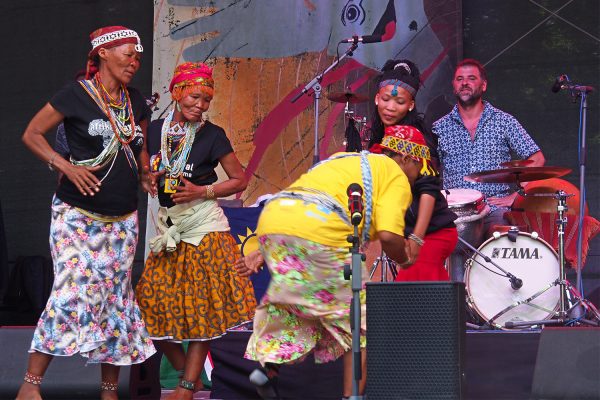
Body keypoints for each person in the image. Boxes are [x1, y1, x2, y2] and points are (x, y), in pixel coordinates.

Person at [241, 124, 431, 399]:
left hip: (275, 219)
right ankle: (351, 397)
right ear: (407, 159)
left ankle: (268, 369)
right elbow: (390, 235)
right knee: (362, 326)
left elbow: (300, 203)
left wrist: (262, 249)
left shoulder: (344, 160)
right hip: (320, 230)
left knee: (296, 308)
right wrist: (405, 257)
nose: (417, 178)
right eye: (419, 169)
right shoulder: (395, 174)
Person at [17, 26, 156, 400]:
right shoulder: (75, 95)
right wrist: (65, 165)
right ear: (104, 53)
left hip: (123, 220)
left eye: (138, 56)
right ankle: (30, 387)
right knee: (69, 292)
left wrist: (145, 171)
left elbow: (139, 143)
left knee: (115, 300)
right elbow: (32, 133)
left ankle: (109, 392)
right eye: (128, 53)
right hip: (77, 217)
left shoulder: (136, 101)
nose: (134, 61)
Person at [134, 62, 257, 400]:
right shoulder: (155, 129)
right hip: (170, 227)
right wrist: (147, 176)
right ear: (177, 93)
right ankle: (194, 378)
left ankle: (187, 386)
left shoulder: (212, 135)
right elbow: (144, 165)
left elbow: (239, 179)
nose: (201, 106)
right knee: (146, 310)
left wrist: (202, 191)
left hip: (204, 227)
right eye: (195, 97)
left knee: (202, 310)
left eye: (206, 100)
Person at [368, 59, 458, 281]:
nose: (390, 107)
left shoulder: (415, 139)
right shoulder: (381, 135)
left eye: (399, 102)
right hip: (410, 232)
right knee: (427, 301)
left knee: (412, 298)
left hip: (431, 233)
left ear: (410, 105)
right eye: (386, 99)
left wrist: (417, 239)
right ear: (377, 98)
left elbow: (428, 189)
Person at [433, 58, 545, 234]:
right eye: (459, 79)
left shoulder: (504, 121)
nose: (465, 83)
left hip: (495, 208)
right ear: (454, 86)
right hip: (454, 212)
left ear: (483, 85)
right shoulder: (439, 128)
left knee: (502, 237)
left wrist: (517, 195)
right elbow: (429, 170)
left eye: (471, 78)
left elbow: (537, 158)